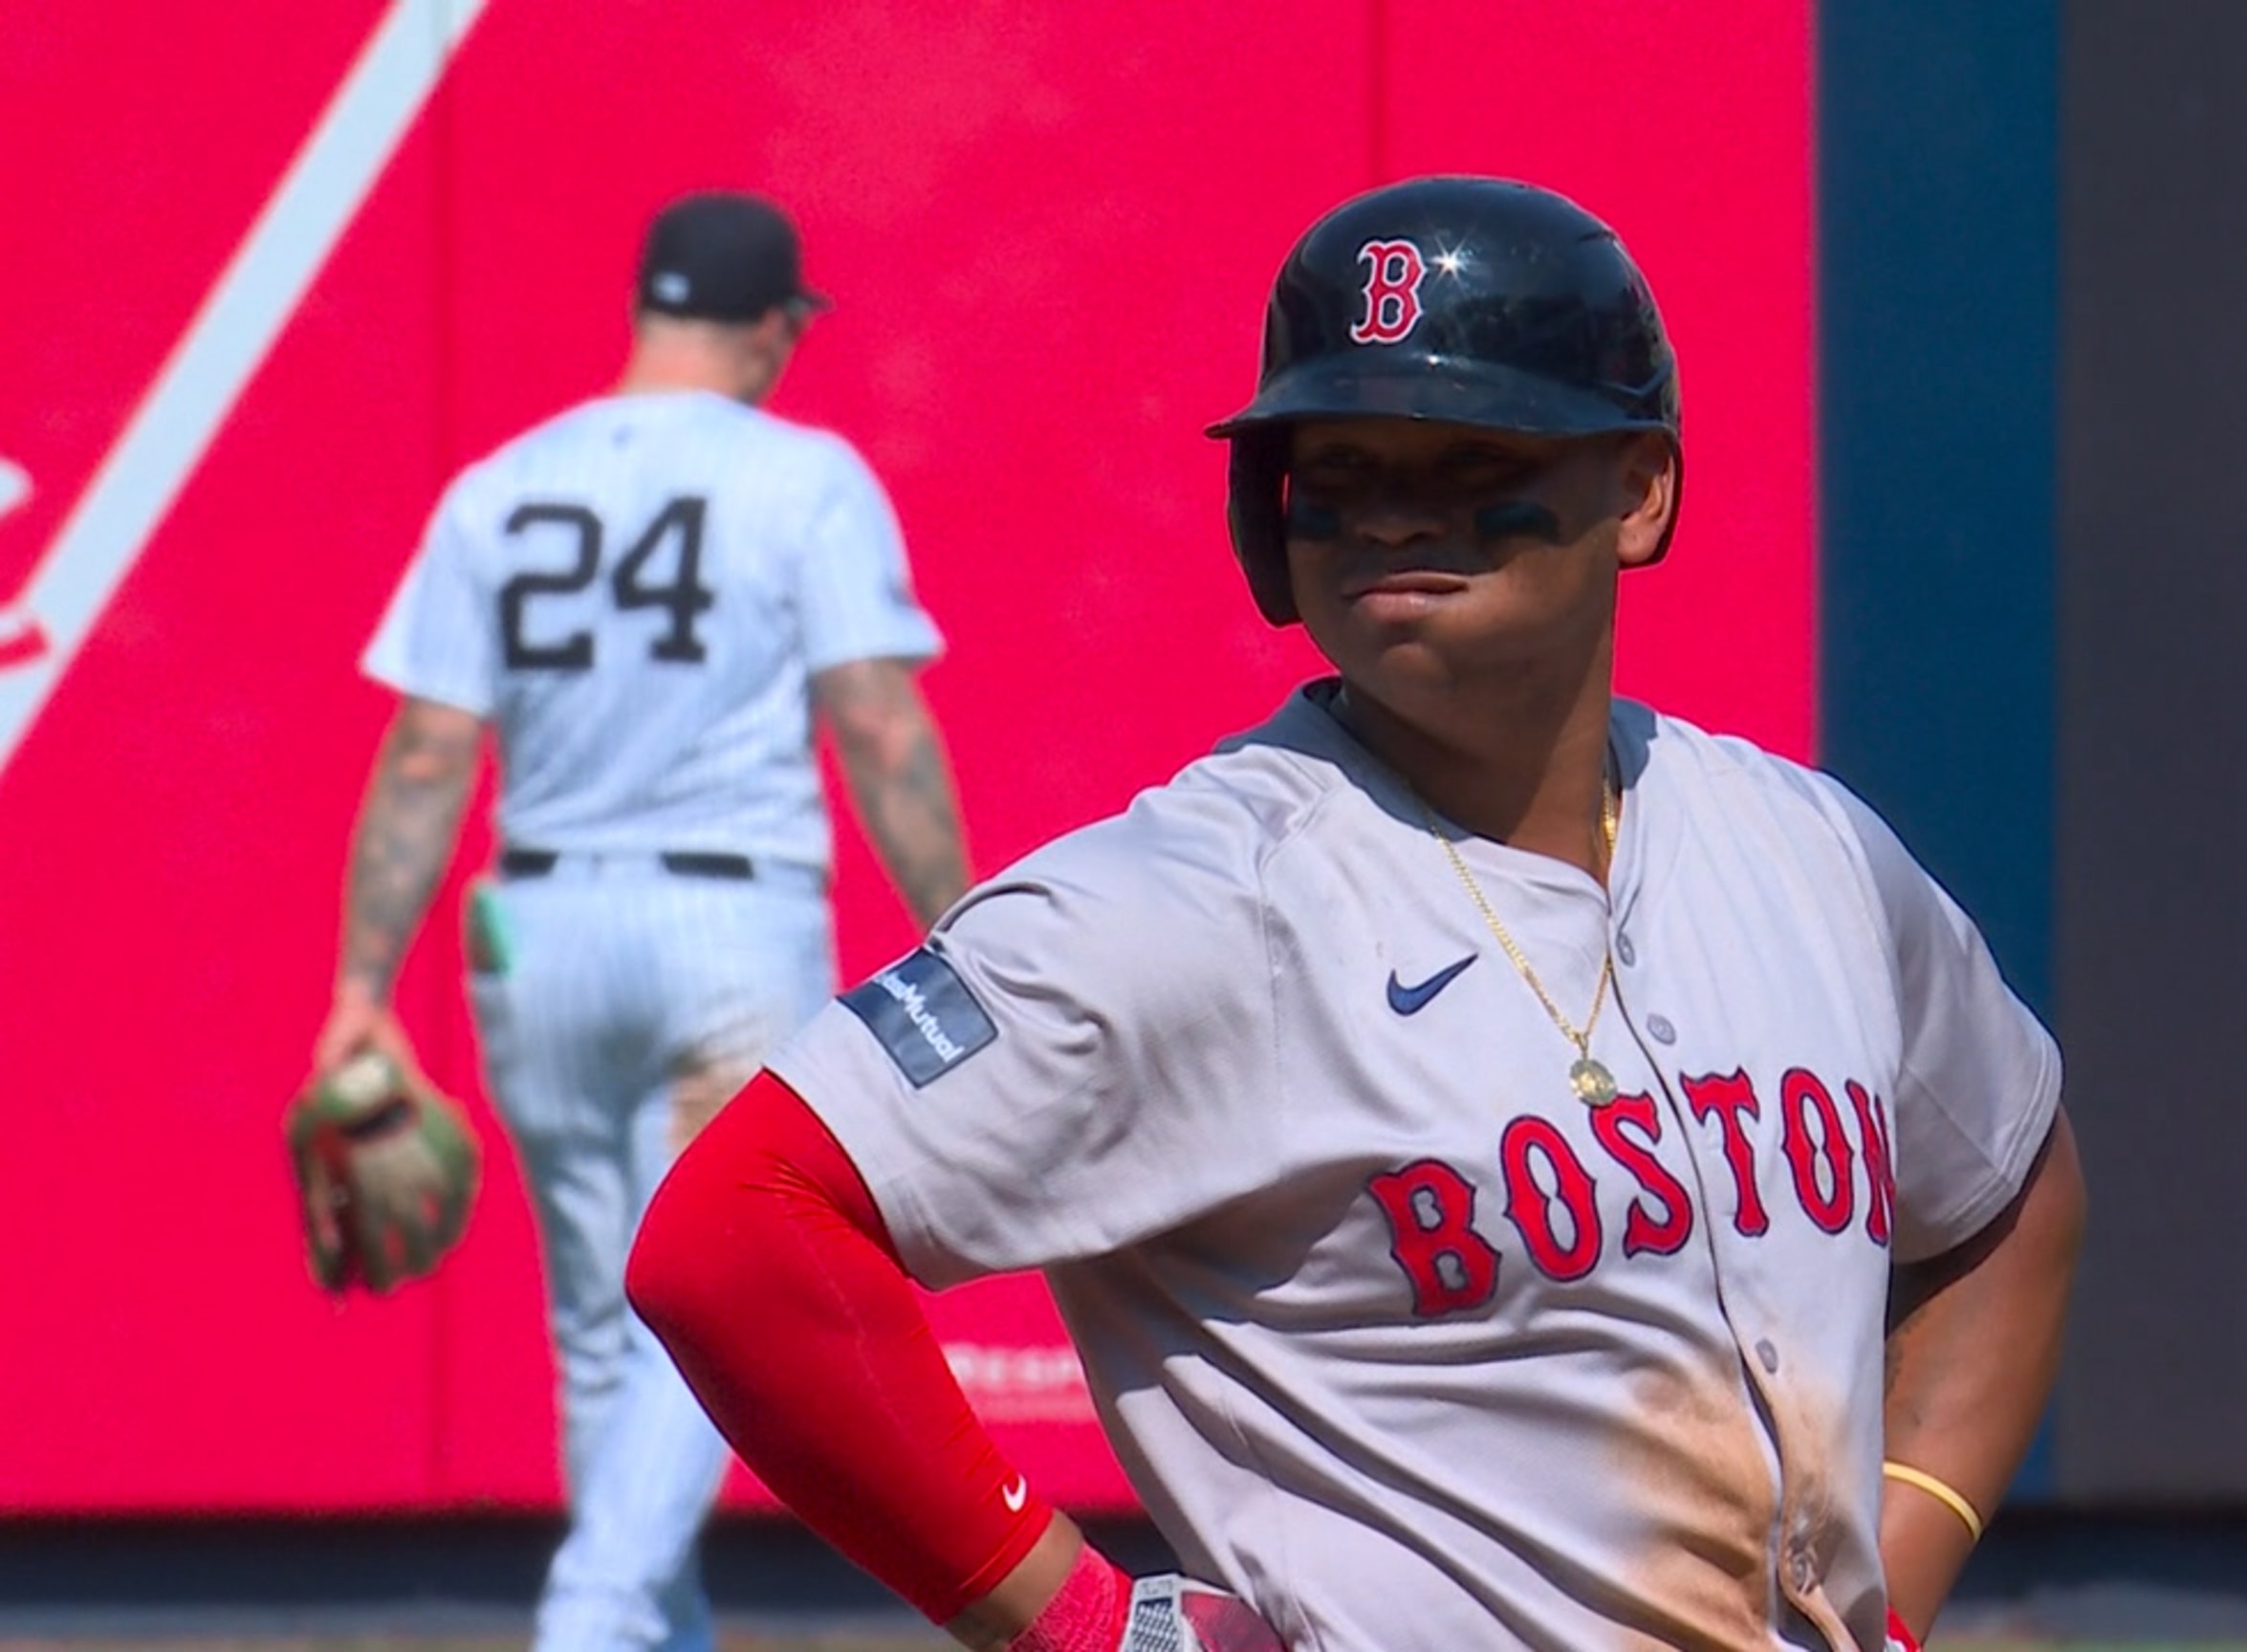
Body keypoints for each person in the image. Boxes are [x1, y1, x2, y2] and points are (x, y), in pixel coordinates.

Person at [627, 175, 2083, 1652]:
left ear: (1639, 488)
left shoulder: (1807, 853)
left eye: (1467, 451)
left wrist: (1896, 1587)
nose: (1395, 509)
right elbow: (731, 1240)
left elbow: (2013, 1194)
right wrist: (1075, 1624)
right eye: (1340, 461)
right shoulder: (1192, 899)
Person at [313, 189, 974, 1652]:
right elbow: (875, 723)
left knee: (606, 1323)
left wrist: (363, 984)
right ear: (772, 326)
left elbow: (429, 751)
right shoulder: (801, 478)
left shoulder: (501, 485)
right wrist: (961, 928)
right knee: (721, 1297)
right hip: (722, 932)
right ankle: (597, 1615)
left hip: (536, 935)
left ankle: (633, 1630)